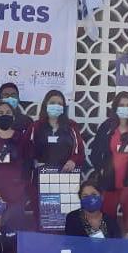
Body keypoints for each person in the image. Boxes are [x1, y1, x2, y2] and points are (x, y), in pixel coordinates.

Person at [89, 92, 128, 234]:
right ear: (116, 107)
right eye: (122, 105)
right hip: (109, 185)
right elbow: (95, 153)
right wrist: (101, 170)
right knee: (106, 223)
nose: (125, 108)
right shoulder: (107, 127)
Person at [26, 90, 85, 225]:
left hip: (65, 178)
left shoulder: (71, 126)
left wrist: (73, 160)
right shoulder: (36, 126)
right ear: (45, 104)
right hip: (41, 179)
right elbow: (26, 150)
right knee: (42, 218)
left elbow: (80, 151)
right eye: (52, 103)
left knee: (63, 218)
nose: (56, 106)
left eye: (59, 103)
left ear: (64, 107)